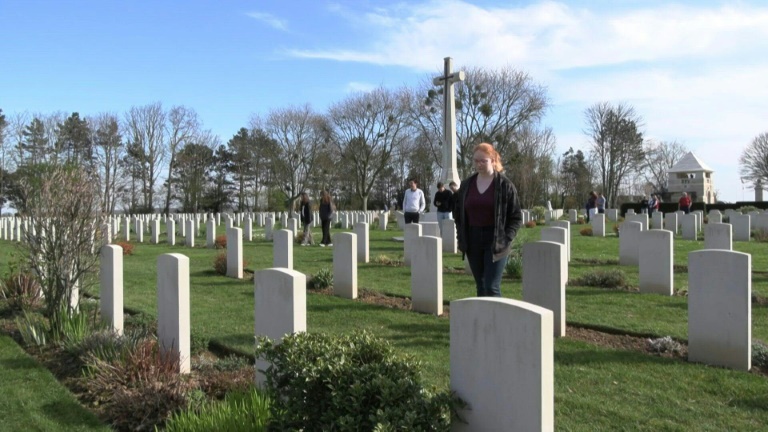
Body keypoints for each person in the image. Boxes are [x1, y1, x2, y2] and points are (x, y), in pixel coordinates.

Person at [453, 143, 523, 297]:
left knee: (491, 286)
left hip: (496, 240)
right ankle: (482, 314)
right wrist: (461, 237)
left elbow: (516, 217)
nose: (479, 164)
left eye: (483, 161)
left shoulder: (505, 185)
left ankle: (497, 314)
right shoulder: (466, 185)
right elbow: (458, 215)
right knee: (481, 285)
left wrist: (506, 238)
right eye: (476, 161)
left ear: (493, 160)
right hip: (473, 240)